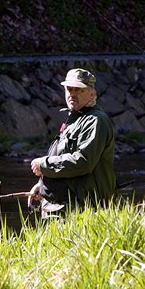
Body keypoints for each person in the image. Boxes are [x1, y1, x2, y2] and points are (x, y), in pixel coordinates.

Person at [28, 68, 116, 218]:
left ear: (92, 93)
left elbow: (84, 161)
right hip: (59, 207)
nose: (72, 94)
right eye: (69, 89)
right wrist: (43, 184)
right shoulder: (74, 120)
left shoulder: (95, 120)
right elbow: (65, 157)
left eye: (79, 90)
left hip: (80, 210)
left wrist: (44, 165)